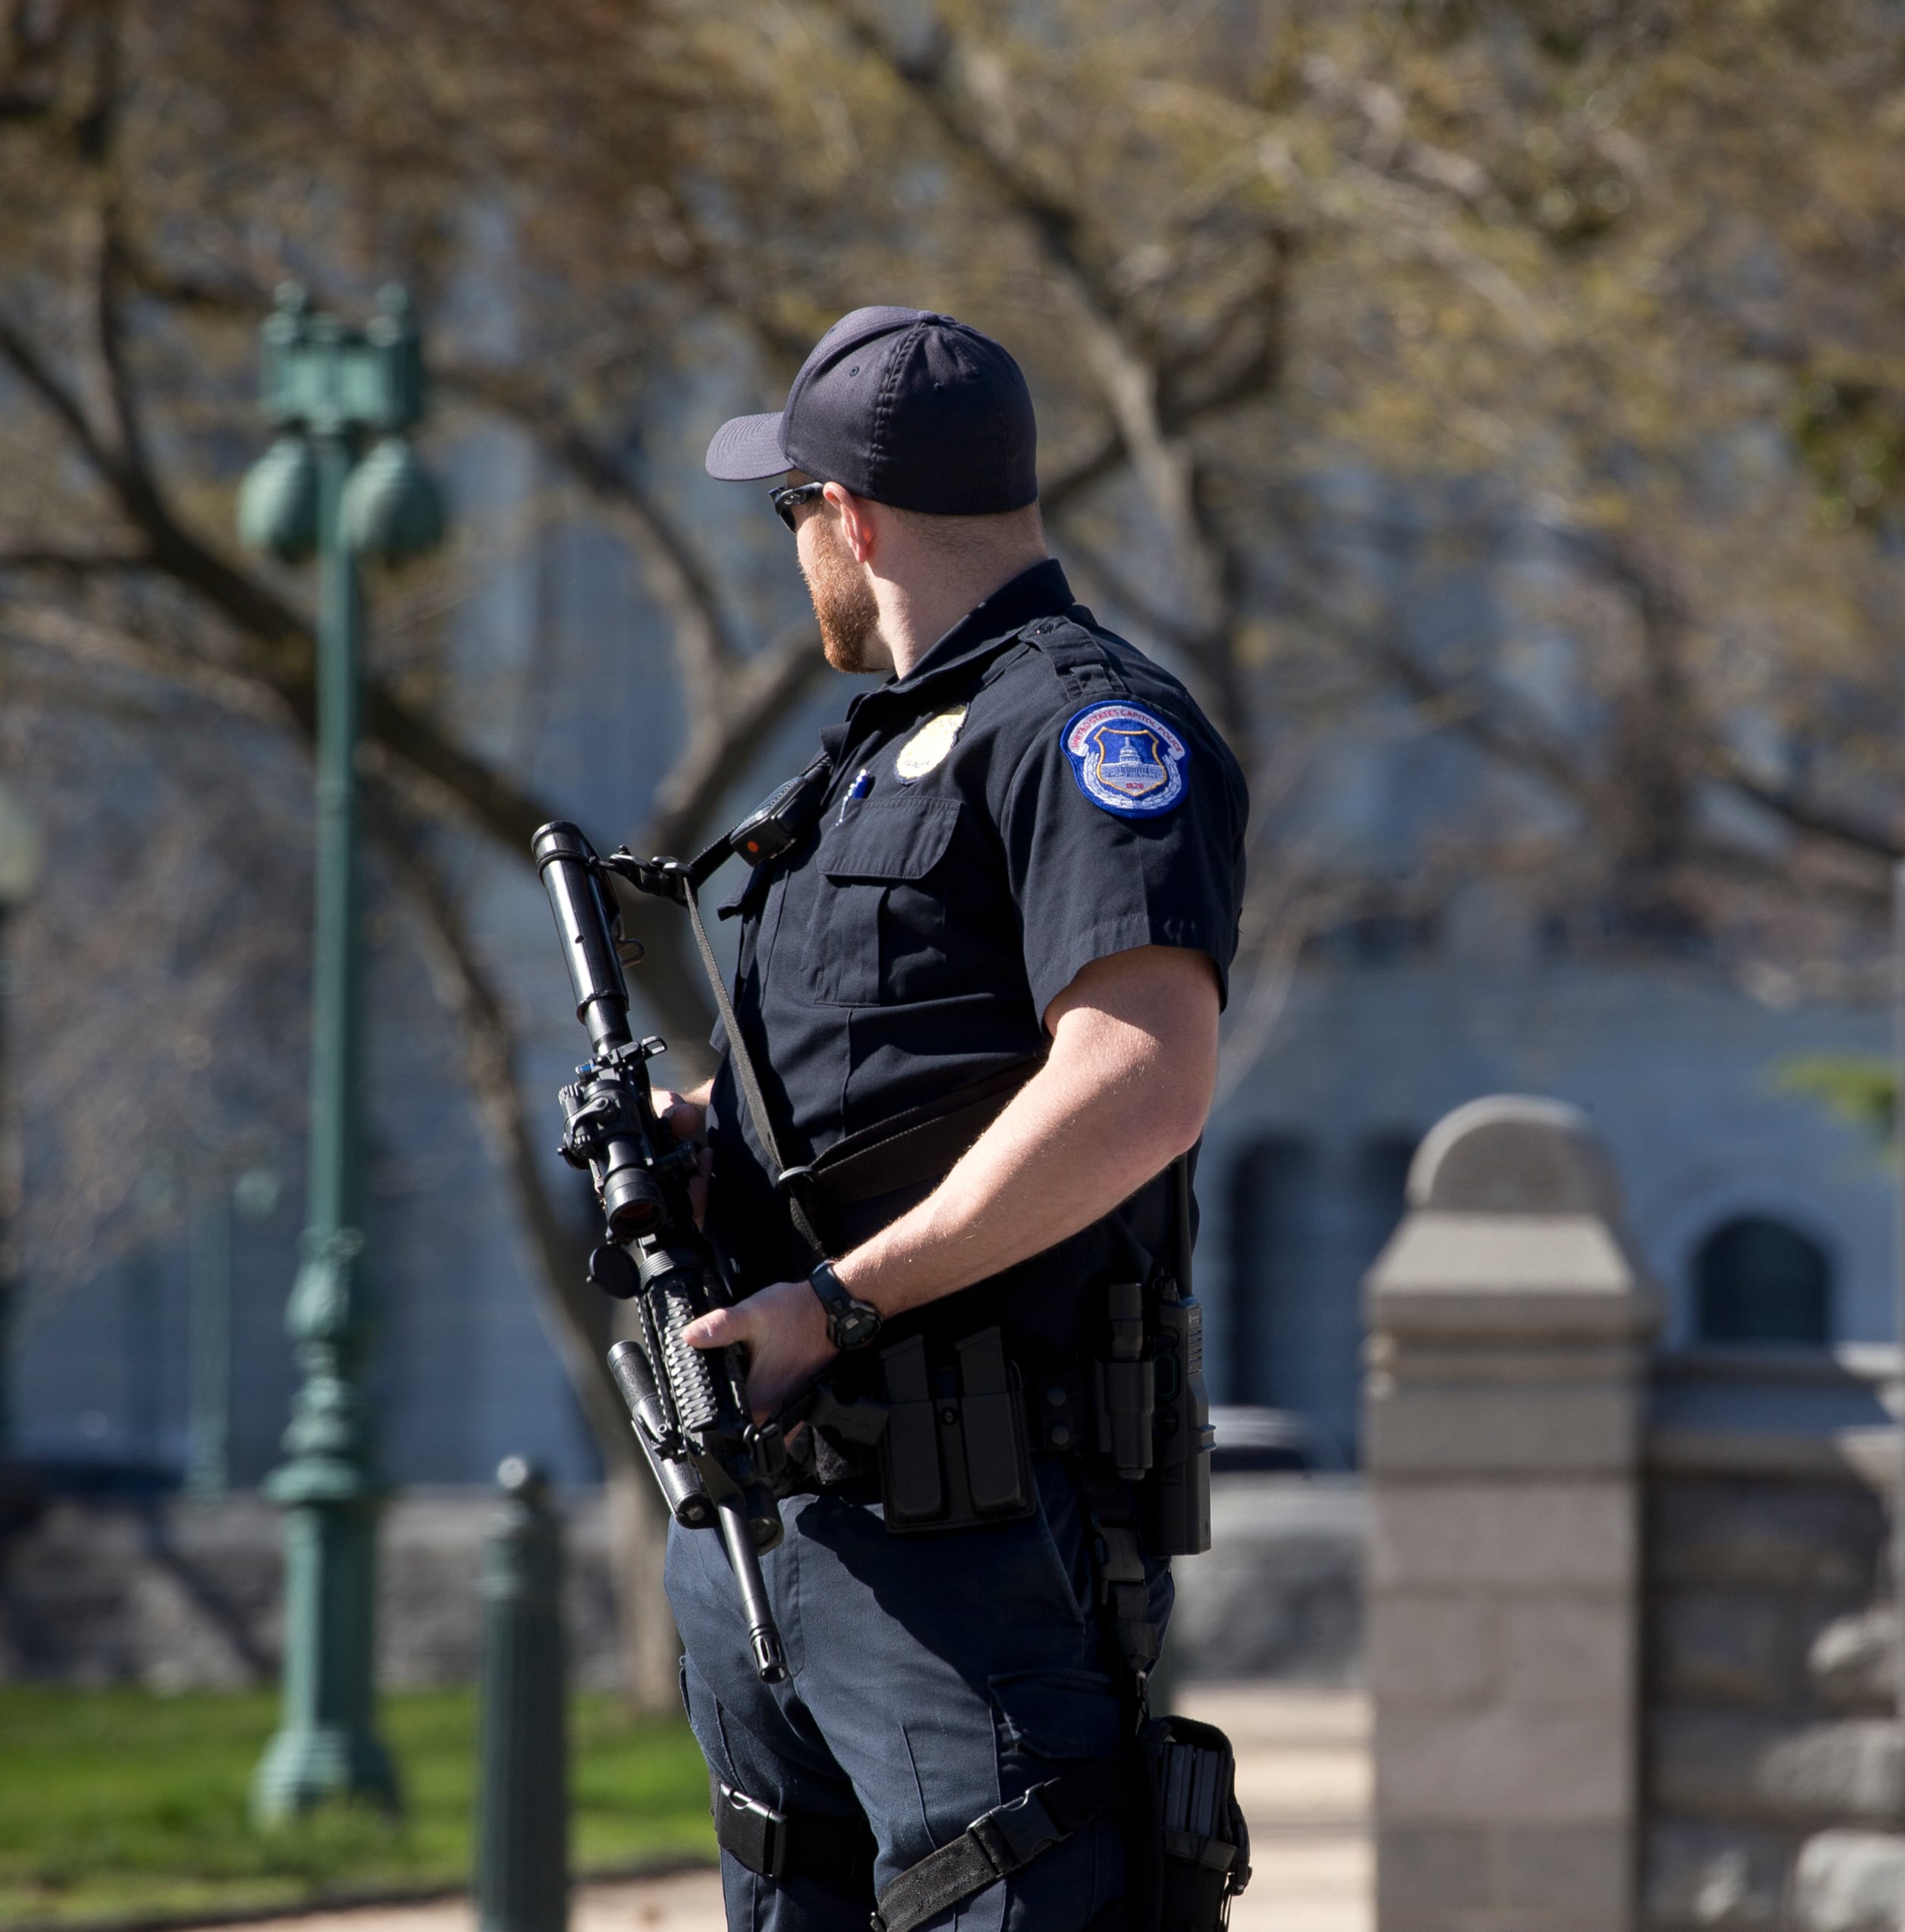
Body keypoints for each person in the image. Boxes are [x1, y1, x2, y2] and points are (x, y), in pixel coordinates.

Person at [649, 306, 1247, 1932]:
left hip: (969, 1530)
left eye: (792, 516)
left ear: (848, 516)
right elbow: (894, 1074)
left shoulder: (1083, 729)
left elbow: (1140, 1077)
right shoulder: (863, 762)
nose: (798, 553)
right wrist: (698, 1127)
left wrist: (838, 1302)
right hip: (785, 1512)